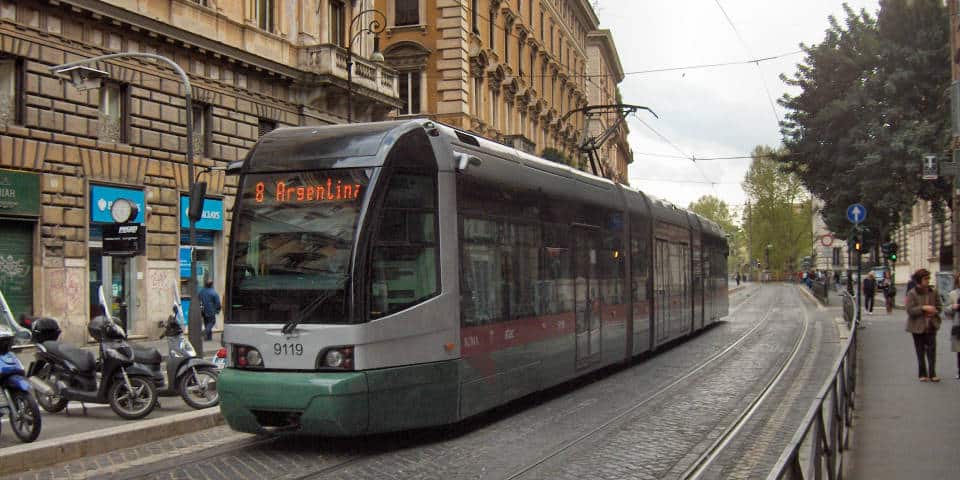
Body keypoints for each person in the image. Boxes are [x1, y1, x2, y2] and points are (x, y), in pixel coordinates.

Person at [905, 268, 941, 382]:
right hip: (917, 327)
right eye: (925, 279)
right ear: (919, 280)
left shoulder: (933, 292)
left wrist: (935, 311)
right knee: (920, 351)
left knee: (932, 350)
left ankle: (932, 373)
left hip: (931, 325)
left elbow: (939, 307)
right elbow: (910, 310)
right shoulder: (912, 293)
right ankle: (922, 373)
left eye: (928, 278)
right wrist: (923, 308)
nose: (928, 281)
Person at [946, 272, 960, 379]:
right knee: (959, 350)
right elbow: (946, 311)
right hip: (958, 325)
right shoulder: (953, 294)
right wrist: (952, 307)